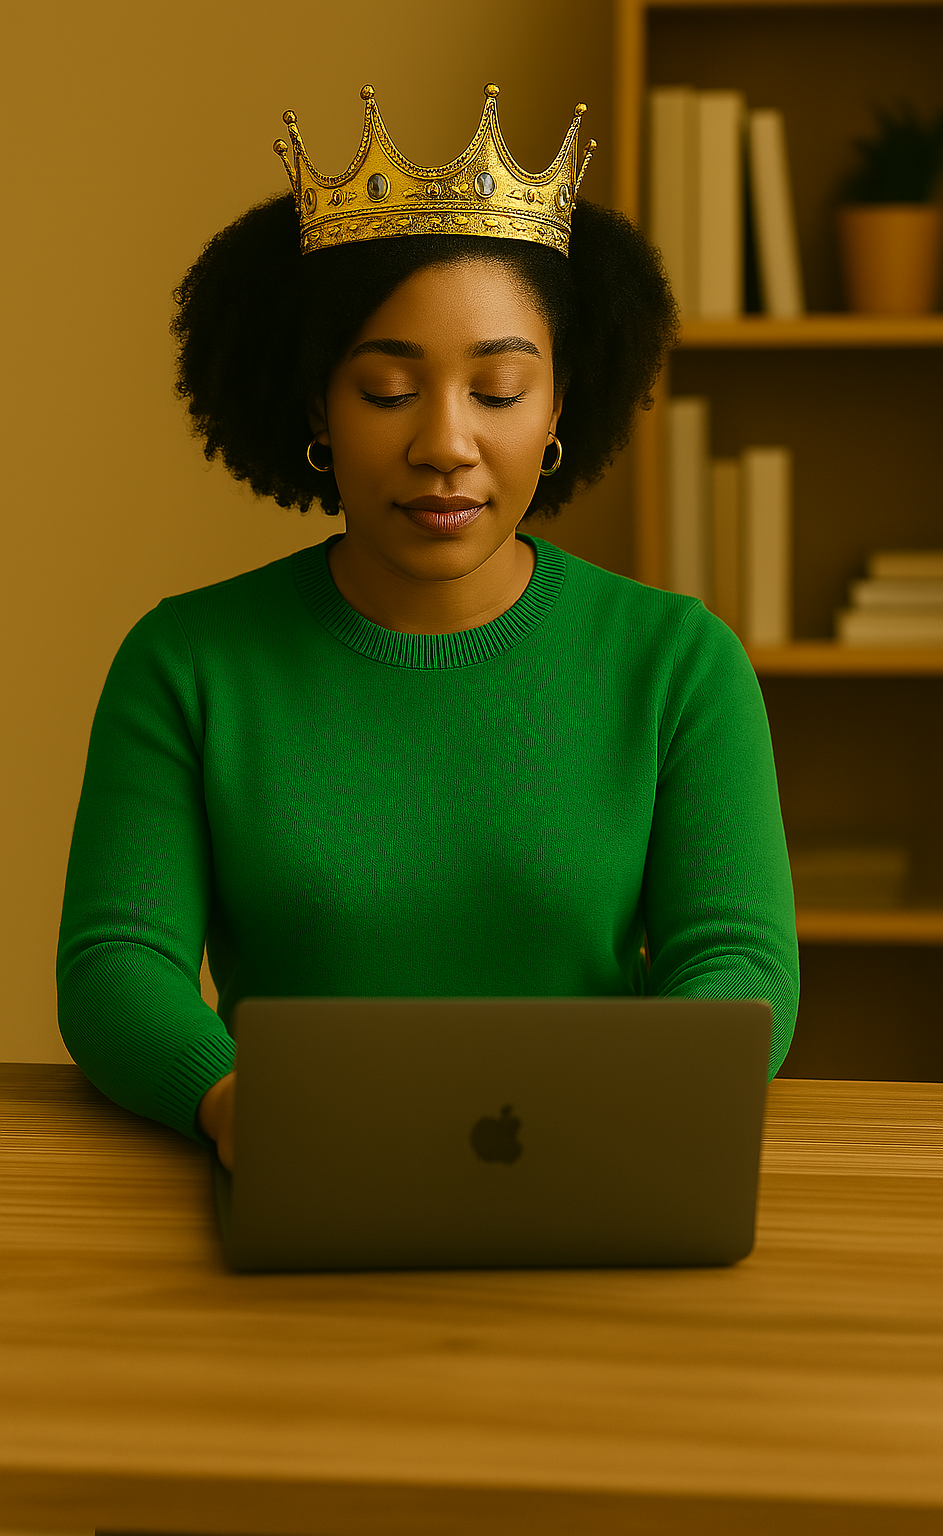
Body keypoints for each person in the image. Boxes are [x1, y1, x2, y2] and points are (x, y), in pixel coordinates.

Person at [56, 84, 799, 1176]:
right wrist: (229, 1100)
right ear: (318, 407)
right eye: (389, 389)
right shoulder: (187, 663)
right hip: (298, 1167)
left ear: (557, 410)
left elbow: (737, 958)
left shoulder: (679, 664)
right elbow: (118, 959)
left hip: (598, 1168)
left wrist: (643, 1096)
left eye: (498, 390)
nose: (445, 443)